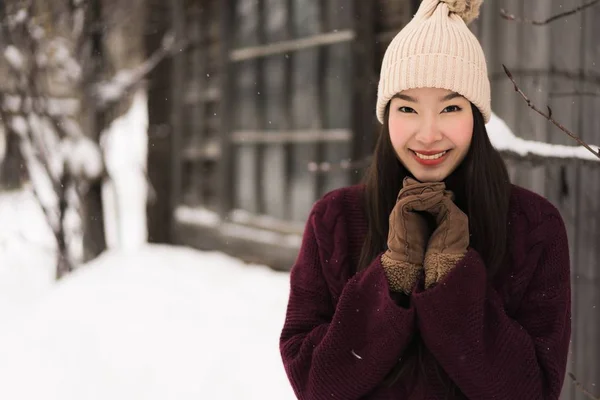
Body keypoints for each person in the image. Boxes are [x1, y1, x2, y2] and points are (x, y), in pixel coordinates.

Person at [279, 0, 572, 399]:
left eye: (451, 107)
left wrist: (452, 276)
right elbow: (316, 384)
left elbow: (532, 391)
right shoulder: (335, 219)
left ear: (476, 115)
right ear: (387, 116)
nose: (428, 133)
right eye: (407, 108)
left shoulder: (532, 224)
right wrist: (393, 274)